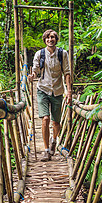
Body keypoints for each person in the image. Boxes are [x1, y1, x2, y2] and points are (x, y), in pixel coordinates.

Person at [28, 29, 72, 161]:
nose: (50, 39)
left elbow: (67, 73)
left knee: (56, 122)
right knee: (45, 119)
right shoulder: (39, 54)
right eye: (47, 38)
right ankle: (46, 150)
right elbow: (35, 70)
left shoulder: (62, 54)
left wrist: (69, 91)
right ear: (44, 40)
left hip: (58, 91)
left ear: (56, 39)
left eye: (52, 37)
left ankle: (54, 140)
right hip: (42, 89)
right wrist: (32, 76)